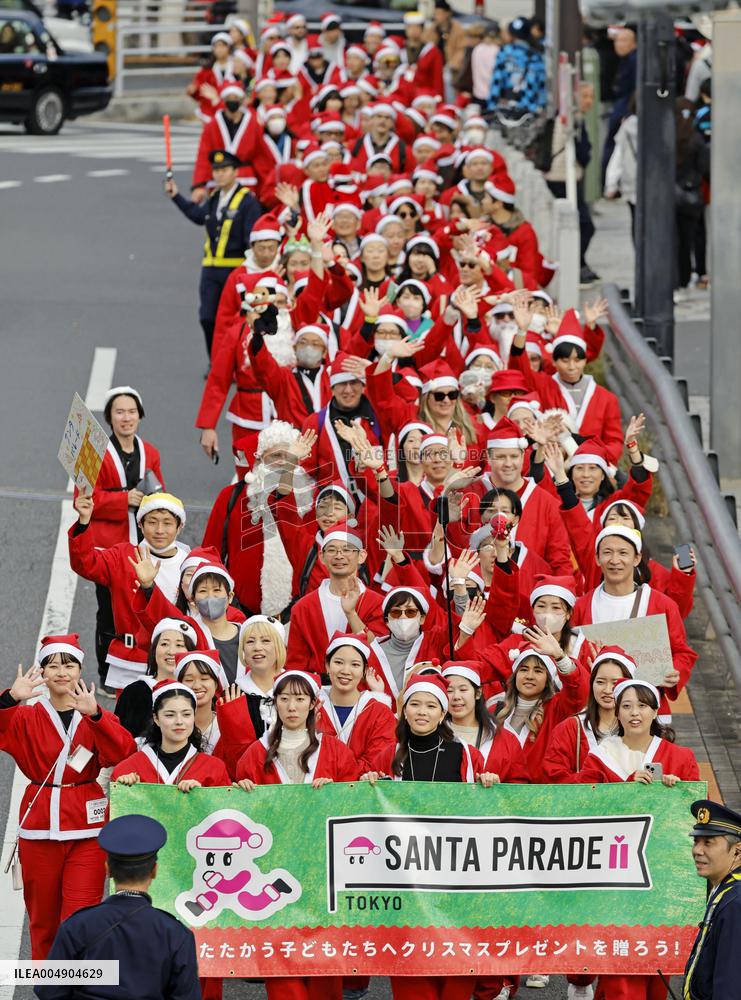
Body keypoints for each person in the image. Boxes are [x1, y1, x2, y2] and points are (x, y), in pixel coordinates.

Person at [0, 635, 135, 959]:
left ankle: (78, 987)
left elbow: (123, 752)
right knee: (44, 922)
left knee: (81, 919)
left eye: (69, 664)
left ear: (80, 669)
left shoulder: (93, 711)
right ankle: (50, 988)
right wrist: (9, 699)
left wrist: (97, 718)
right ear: (43, 672)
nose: (62, 671)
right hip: (39, 828)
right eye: (53, 664)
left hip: (87, 830)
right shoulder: (26, 716)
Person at [35, 814, 200, 1000]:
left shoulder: (76, 926)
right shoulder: (176, 934)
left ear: (108, 870)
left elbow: (49, 992)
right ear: (154, 870)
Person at [79, 385, 164, 696]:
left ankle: (141, 666)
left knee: (141, 607)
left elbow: (161, 490)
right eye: (119, 412)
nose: (126, 418)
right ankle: (106, 673)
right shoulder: (91, 450)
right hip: (108, 549)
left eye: (131, 412)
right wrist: (123, 499)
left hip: (143, 548)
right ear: (110, 417)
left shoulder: (151, 452)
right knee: (109, 611)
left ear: (139, 416)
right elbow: (83, 498)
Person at [165, 149, 262, 359]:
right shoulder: (214, 197)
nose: (219, 174)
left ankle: (235, 361)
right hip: (210, 269)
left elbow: (251, 238)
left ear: (236, 172)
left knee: (235, 319)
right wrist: (176, 196)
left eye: (224, 169)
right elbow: (198, 216)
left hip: (234, 269)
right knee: (207, 317)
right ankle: (216, 360)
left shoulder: (248, 202)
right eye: (216, 170)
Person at [683, 799, 741, 1000]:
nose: (697, 850)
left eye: (708, 842)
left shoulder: (736, 902)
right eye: (696, 841)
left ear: (737, 851)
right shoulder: (725, 889)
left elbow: (730, 985)